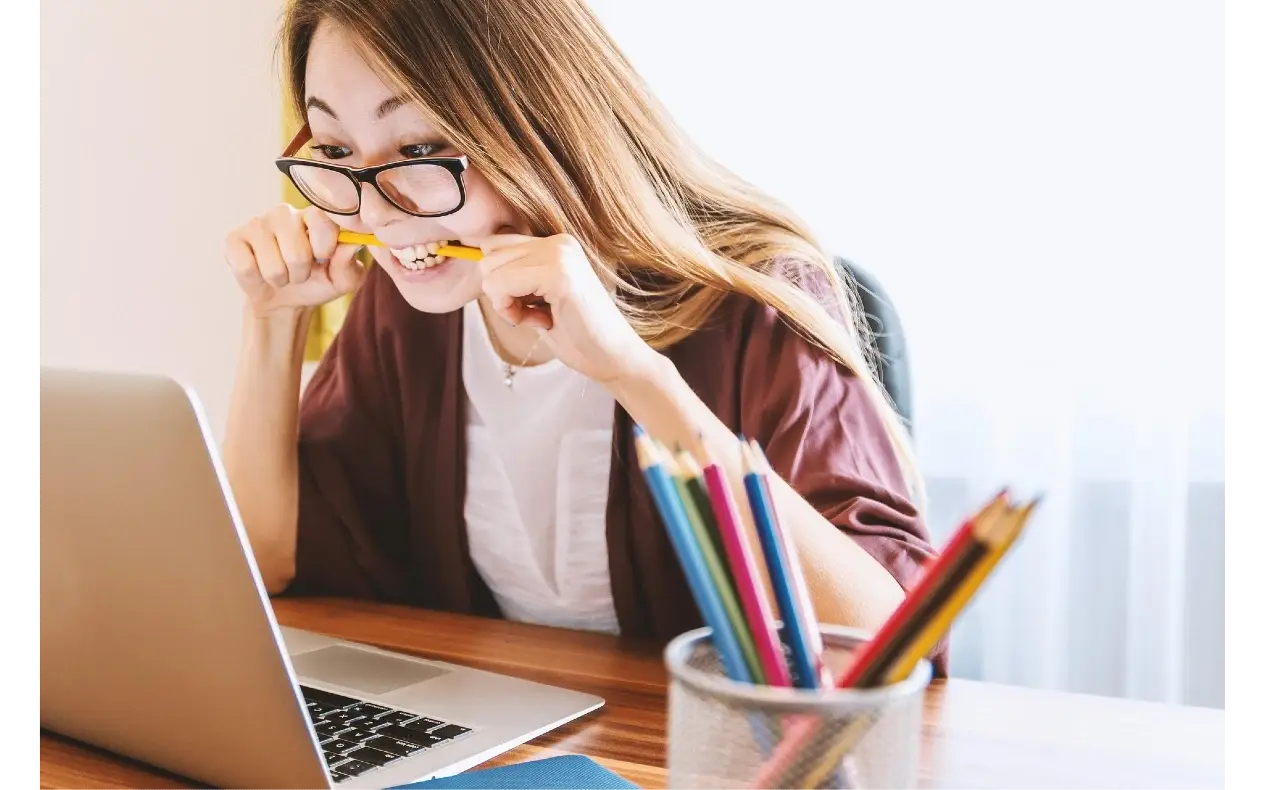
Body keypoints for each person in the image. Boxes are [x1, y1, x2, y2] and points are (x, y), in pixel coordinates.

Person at [222, 0, 944, 672]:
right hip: (513, 743)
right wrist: (274, 322)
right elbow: (264, 559)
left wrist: (635, 374)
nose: (379, 213)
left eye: (419, 145)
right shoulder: (408, 309)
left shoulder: (754, 301)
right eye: (339, 152)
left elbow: (884, 644)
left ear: (538, 122)